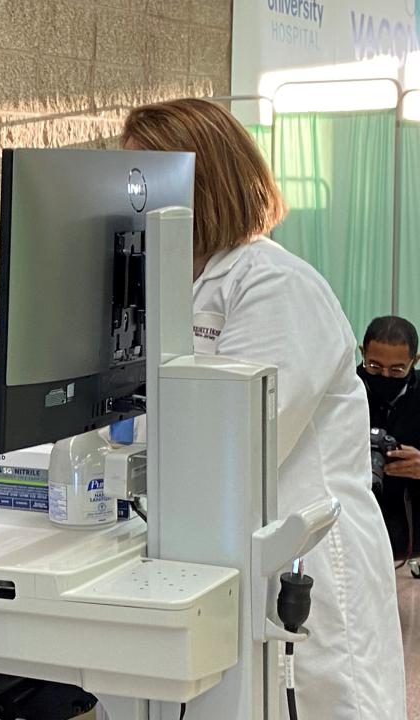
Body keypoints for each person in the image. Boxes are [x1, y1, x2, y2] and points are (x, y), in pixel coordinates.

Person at [122, 98, 406, 720]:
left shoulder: (274, 284)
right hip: (220, 550)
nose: (132, 197)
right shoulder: (170, 283)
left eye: (146, 178)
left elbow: (237, 439)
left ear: (206, 182)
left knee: (317, 701)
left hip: (301, 561)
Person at [358, 315, 420, 560]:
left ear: (414, 361)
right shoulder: (344, 392)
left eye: (397, 370)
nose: (384, 376)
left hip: (412, 533)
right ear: (362, 353)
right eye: (373, 366)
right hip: (359, 526)